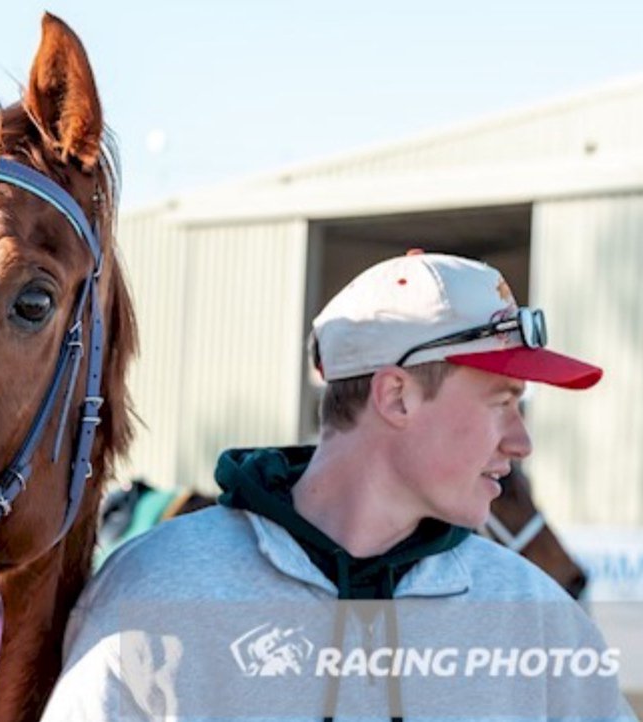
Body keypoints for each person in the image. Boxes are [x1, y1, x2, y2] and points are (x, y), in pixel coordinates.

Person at [42, 252, 635, 721]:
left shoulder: (540, 620)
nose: (520, 442)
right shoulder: (156, 594)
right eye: (501, 403)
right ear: (397, 396)